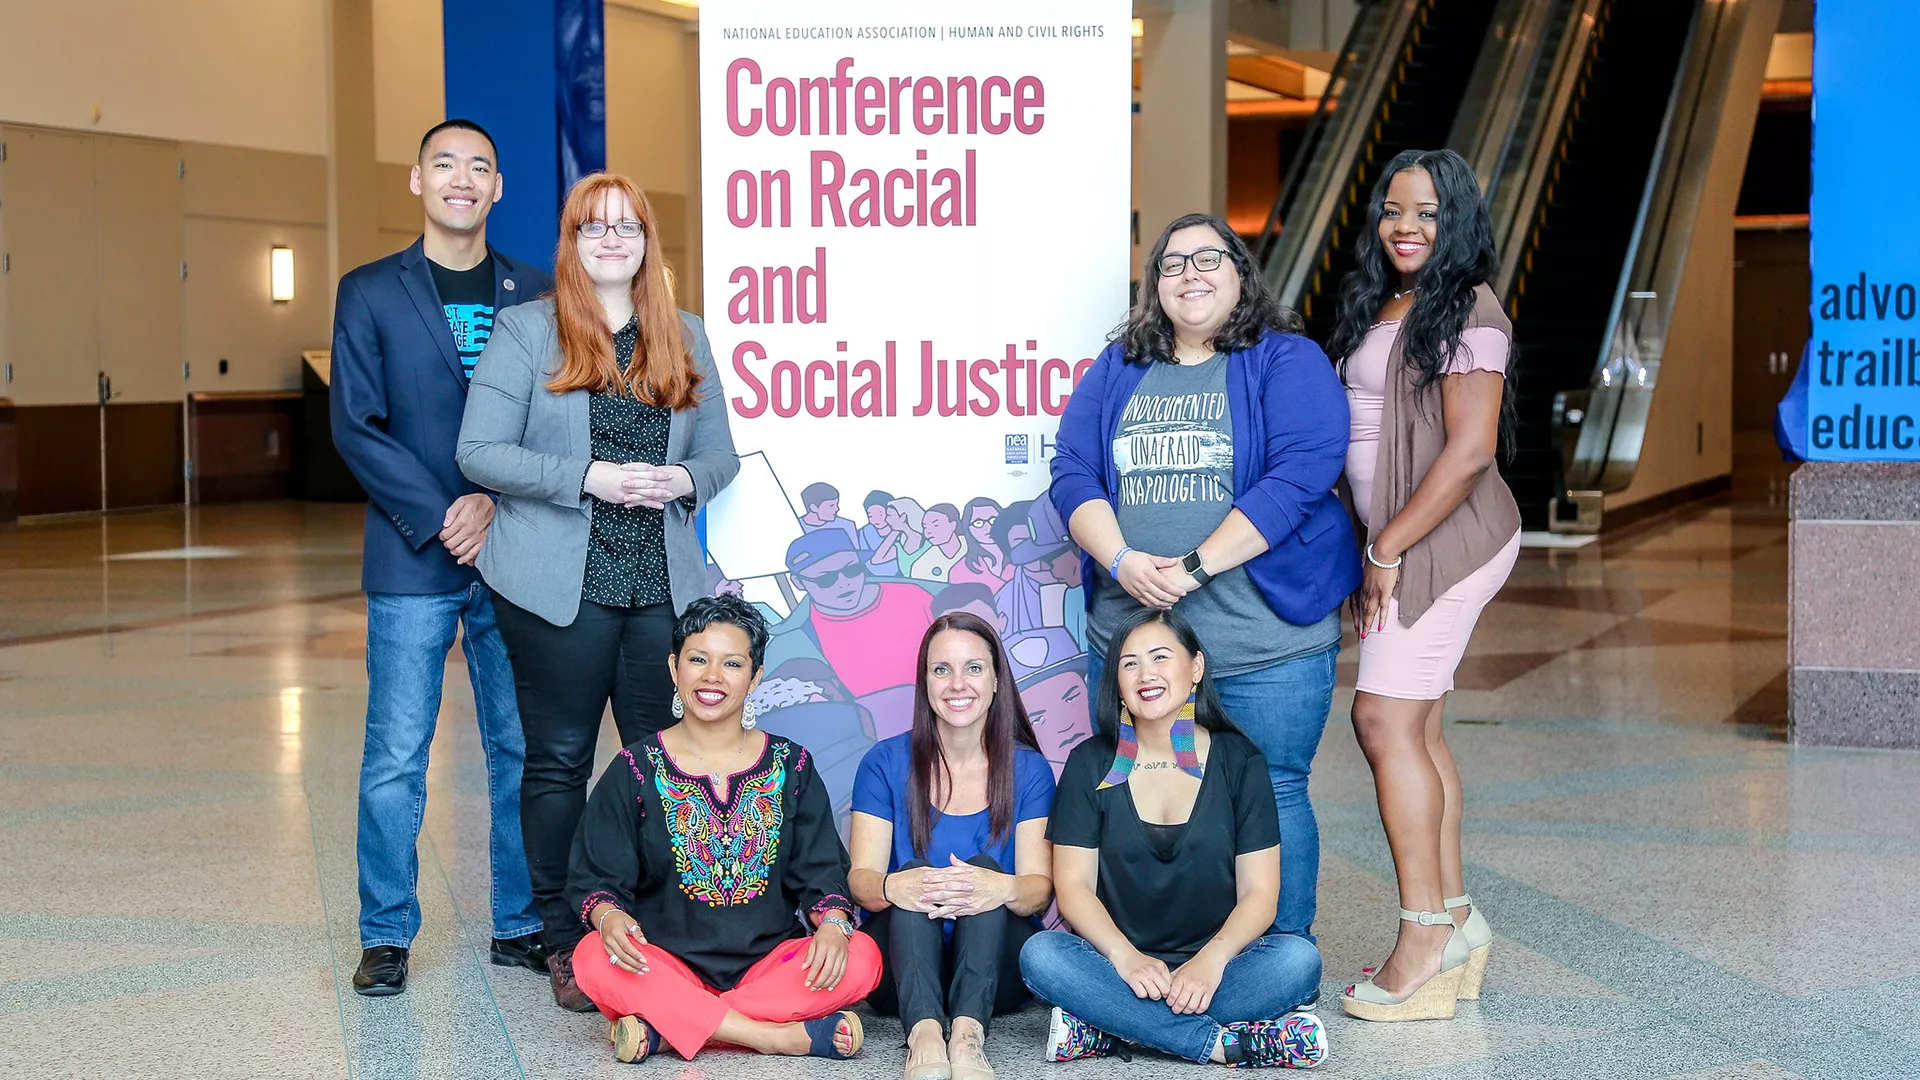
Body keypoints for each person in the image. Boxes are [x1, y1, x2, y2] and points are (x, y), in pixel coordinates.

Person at [456, 171, 740, 1010]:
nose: (611, 239)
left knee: (664, 764)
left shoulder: (682, 333)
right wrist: (591, 476)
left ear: (649, 242)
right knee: (558, 763)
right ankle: (563, 938)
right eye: (592, 227)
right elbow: (481, 452)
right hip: (556, 585)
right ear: (571, 243)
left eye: (627, 226)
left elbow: (720, 457)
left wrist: (678, 476)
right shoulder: (526, 330)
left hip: (660, 583)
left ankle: (655, 926)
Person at [1049, 212, 1359, 942]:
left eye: (1207, 259)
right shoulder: (1121, 366)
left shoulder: (1286, 358)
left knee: (1275, 790)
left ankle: (1279, 963)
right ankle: (1148, 959)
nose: (1189, 274)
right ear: (1153, 287)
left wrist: (1193, 567)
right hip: (1137, 643)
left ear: (1241, 274)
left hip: (1264, 644)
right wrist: (1123, 561)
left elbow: (1304, 470)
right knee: (1144, 792)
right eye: (1172, 263)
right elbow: (1071, 471)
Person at [329, 118, 552, 996]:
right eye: (445, 164)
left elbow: (554, 419)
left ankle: (523, 921)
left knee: (521, 747)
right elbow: (357, 423)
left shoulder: (538, 291)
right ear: (417, 181)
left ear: (499, 188)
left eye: (480, 168)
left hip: (517, 551)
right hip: (414, 556)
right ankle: (385, 934)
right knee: (395, 752)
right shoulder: (369, 291)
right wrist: (446, 511)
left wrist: (497, 499)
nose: (463, 179)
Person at [1325, 149, 1520, 1022]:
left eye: (1429, 213)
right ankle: (1457, 919)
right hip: (1403, 542)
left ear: (1460, 223)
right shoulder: (1387, 301)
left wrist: (1387, 549)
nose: (1406, 227)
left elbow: (1471, 450)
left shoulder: (1470, 308)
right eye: (1393, 211)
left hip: (1446, 540)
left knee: (1382, 718)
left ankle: (1423, 940)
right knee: (1421, 724)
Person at [566, 596, 880, 1063]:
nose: (712, 676)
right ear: (675, 669)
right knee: (592, 957)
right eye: (698, 660)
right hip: (664, 961)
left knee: (862, 957)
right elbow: (596, 878)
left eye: (731, 663)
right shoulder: (634, 768)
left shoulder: (791, 765)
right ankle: (772, 1035)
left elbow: (821, 870)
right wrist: (608, 918)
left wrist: (833, 924)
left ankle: (671, 1029)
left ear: (754, 678)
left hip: (769, 964)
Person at [1018, 609, 1326, 1069]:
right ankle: (1222, 1044)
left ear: (1195, 668)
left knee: (1298, 961)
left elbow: (1261, 895)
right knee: (1041, 954)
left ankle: (1111, 1030)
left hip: (1220, 969)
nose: (1146, 675)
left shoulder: (1240, 761)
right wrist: (1126, 959)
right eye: (1130, 663)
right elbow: (1073, 888)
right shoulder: (1089, 763)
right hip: (1117, 968)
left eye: (1160, 657)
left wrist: (1211, 961)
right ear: (1116, 682)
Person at [849, 613, 1057, 1080]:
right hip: (901, 972)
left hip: (995, 972)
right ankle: (923, 1037)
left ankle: (967, 1038)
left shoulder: (1030, 771)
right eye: (941, 669)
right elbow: (861, 882)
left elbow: (1039, 890)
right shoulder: (883, 762)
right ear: (924, 682)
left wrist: (992, 888)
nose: (957, 684)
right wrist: (898, 886)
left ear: (998, 680)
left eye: (974, 668)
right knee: (915, 873)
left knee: (981, 870)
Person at [782, 529, 935, 698]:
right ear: (798, 582)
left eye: (852, 570)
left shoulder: (912, 596)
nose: (844, 583)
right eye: (826, 579)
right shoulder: (800, 636)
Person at [997, 500, 1086, 642]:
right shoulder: (1004, 599)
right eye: (1020, 543)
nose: (1040, 562)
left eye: (1051, 556)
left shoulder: (1080, 590)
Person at [950, 497, 1012, 587]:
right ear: (967, 528)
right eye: (978, 523)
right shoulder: (959, 571)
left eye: (993, 520)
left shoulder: (1022, 561)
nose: (988, 527)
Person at [911, 503, 969, 583]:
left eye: (935, 525)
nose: (928, 532)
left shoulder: (973, 547)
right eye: (925, 527)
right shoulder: (922, 564)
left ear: (953, 525)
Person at [877, 497, 932, 577]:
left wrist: (900, 526)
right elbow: (877, 560)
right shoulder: (901, 544)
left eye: (889, 515)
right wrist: (896, 531)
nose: (886, 520)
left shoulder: (925, 542)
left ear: (903, 517)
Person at [800, 481, 861, 550]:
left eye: (836, 504)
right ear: (813, 507)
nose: (837, 509)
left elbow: (857, 555)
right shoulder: (797, 528)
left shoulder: (847, 525)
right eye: (831, 506)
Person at [861, 489, 897, 568]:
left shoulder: (901, 533)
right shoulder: (863, 533)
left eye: (880, 514)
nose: (876, 520)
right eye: (871, 516)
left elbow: (877, 559)